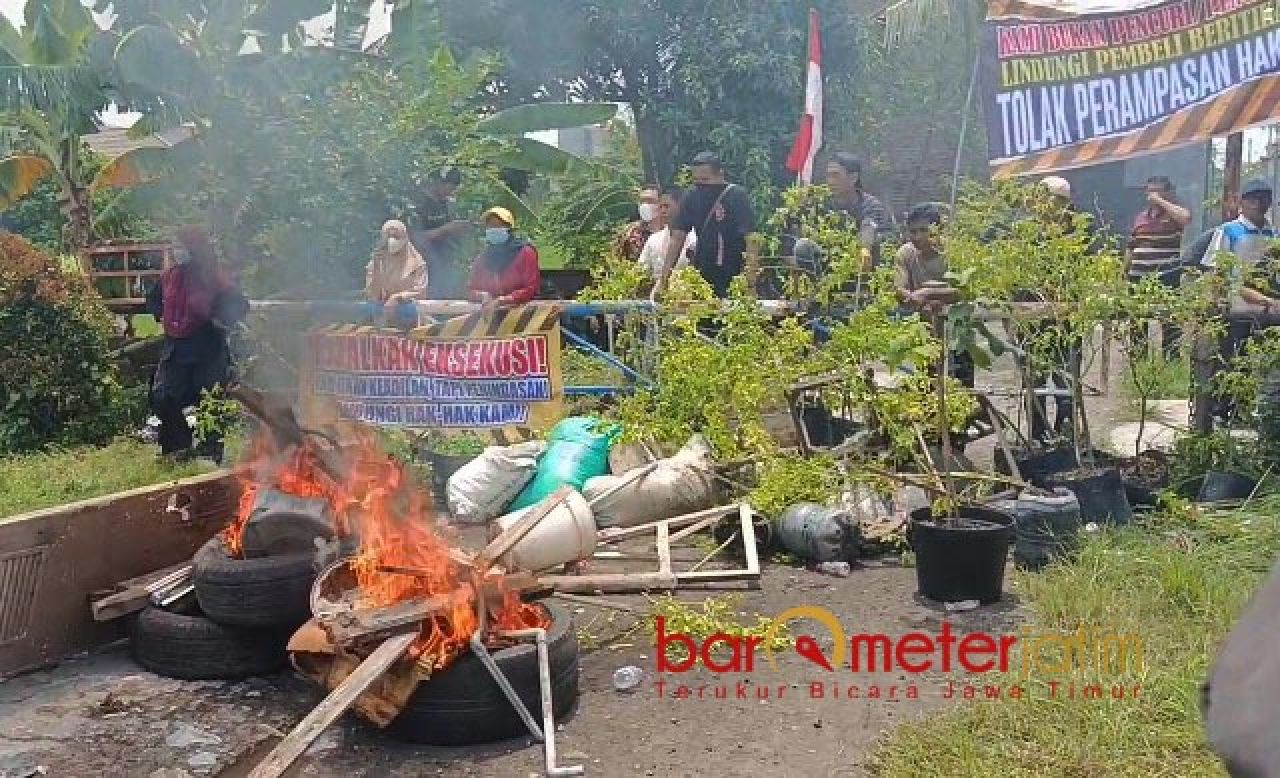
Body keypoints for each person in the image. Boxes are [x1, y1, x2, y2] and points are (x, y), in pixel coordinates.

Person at [145, 226, 247, 464]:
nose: (177, 251)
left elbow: (239, 305)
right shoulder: (170, 276)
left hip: (207, 346)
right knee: (163, 397)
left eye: (181, 246)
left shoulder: (213, 277)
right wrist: (162, 314)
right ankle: (176, 448)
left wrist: (220, 317)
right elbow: (153, 300)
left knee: (209, 400)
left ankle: (209, 451)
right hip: (176, 348)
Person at [1200, 179, 1278, 420]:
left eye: (1263, 198)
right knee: (1232, 358)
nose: (1258, 203)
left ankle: (1247, 409)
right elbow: (1215, 269)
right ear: (1241, 202)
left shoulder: (1273, 233)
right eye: (1253, 198)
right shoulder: (1229, 231)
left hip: (1266, 307)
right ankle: (1222, 411)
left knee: (1259, 360)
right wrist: (1214, 301)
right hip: (1235, 305)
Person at [1023, 176, 1089, 443]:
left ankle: (1066, 433)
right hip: (1033, 319)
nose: (1051, 205)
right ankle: (1037, 435)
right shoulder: (1027, 234)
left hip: (1067, 319)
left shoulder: (1079, 233)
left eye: (1057, 200)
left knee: (1066, 379)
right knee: (1035, 380)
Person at [654, 152, 755, 298]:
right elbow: (677, 238)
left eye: (705, 180)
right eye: (697, 180)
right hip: (703, 274)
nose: (701, 185)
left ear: (720, 175)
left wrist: (750, 279)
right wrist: (664, 280)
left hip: (734, 272)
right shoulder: (691, 196)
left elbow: (751, 239)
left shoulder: (736, 196)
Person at [894, 204, 974, 388]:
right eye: (913, 231)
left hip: (958, 323)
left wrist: (929, 292)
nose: (918, 237)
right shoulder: (906, 253)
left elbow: (965, 291)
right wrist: (912, 297)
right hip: (926, 324)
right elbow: (899, 288)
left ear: (938, 229)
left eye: (924, 230)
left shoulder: (953, 252)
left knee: (962, 379)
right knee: (928, 380)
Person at [1128, 175, 1192, 360]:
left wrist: (1161, 201)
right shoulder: (1140, 217)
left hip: (1166, 277)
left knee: (1170, 320)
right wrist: (1124, 272)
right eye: (1149, 191)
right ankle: (1138, 361)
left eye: (1157, 190)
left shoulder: (1174, 214)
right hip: (1138, 277)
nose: (1152, 195)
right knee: (1138, 321)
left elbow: (1186, 218)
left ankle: (1171, 359)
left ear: (1168, 192)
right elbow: (1132, 245)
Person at [824, 152, 894, 267]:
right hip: (829, 263)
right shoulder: (823, 204)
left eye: (836, 176)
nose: (830, 181)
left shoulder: (871, 205)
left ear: (853, 178)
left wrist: (864, 248)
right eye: (828, 176)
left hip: (863, 263)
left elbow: (869, 227)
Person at [411, 167, 472, 298]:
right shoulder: (419, 203)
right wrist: (446, 229)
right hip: (424, 261)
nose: (451, 192)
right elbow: (416, 238)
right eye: (449, 188)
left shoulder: (445, 203)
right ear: (438, 182)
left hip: (444, 260)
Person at [467, 206, 541, 313]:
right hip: (491, 318)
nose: (493, 230)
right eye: (490, 226)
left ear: (509, 228)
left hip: (522, 315)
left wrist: (504, 300)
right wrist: (482, 295)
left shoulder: (525, 252)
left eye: (497, 225)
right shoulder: (482, 257)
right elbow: (470, 289)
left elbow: (531, 288)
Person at [365, 219, 428, 316]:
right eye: (388, 236)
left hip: (409, 312)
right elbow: (373, 295)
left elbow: (421, 292)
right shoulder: (376, 262)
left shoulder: (417, 263)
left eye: (396, 236)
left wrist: (397, 298)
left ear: (405, 237)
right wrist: (377, 267)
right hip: (382, 312)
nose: (392, 240)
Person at [636, 188, 696, 279]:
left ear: (681, 207)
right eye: (660, 207)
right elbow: (641, 271)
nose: (663, 211)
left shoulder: (695, 239)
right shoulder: (654, 239)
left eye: (667, 206)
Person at [616, 186, 663, 262]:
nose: (645, 205)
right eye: (642, 201)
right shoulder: (629, 232)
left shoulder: (671, 232)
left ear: (661, 204)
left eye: (650, 201)